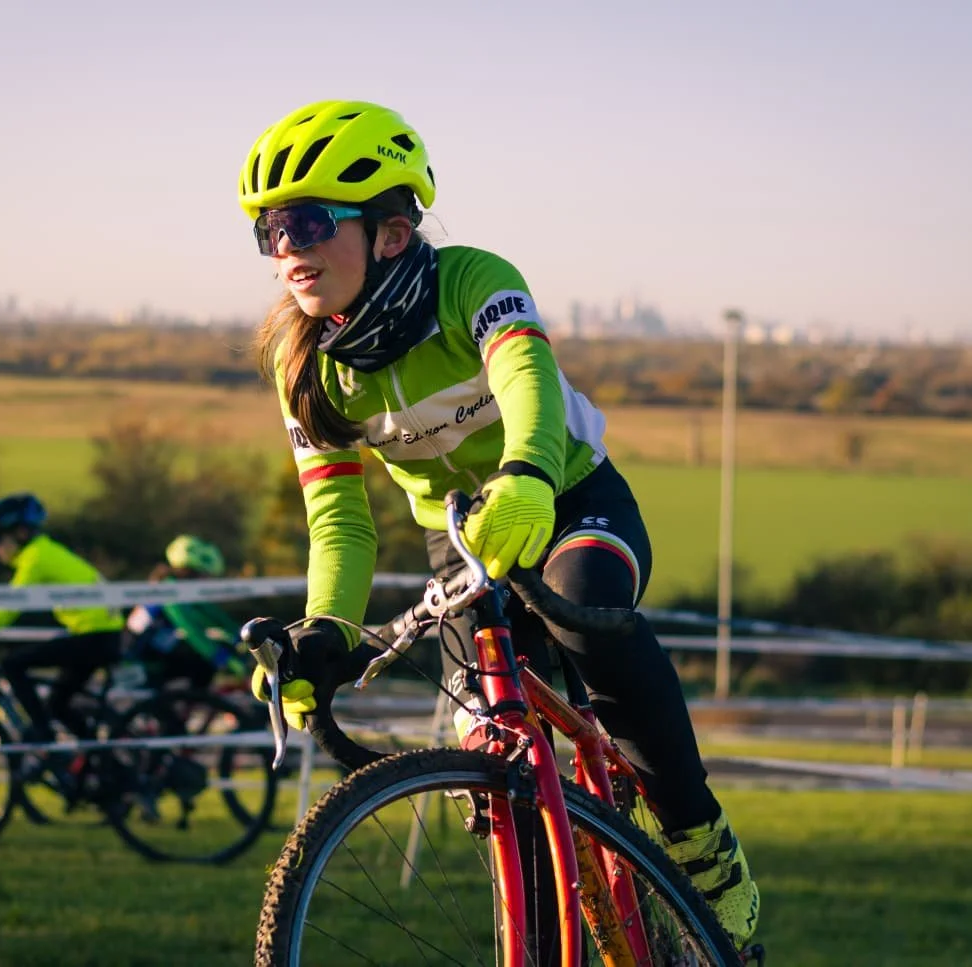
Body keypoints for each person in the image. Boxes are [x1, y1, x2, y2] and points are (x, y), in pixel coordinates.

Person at [239, 99, 759, 950]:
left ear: (390, 231)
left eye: (305, 222)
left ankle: (700, 843)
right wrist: (327, 626)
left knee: (582, 610)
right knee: (492, 763)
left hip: (566, 495)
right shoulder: (303, 362)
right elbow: (337, 520)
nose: (284, 248)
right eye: (268, 230)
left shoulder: (471, 280)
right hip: (460, 544)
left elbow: (528, 383)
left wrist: (527, 475)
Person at [0, 493, 125, 742]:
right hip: (98, 635)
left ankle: (42, 733)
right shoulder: (41, 552)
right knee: (57, 705)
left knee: (12, 664)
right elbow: (6, 602)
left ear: (20, 533)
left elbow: (11, 607)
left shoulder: (36, 558)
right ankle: (96, 757)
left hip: (94, 636)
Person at [120, 535, 250, 690]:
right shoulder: (169, 588)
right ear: (190, 571)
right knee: (201, 664)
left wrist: (239, 634)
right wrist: (221, 658)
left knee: (201, 661)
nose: (207, 582)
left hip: (155, 650)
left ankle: (189, 700)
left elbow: (210, 612)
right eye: (204, 576)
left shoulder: (180, 587)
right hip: (138, 658)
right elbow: (190, 627)